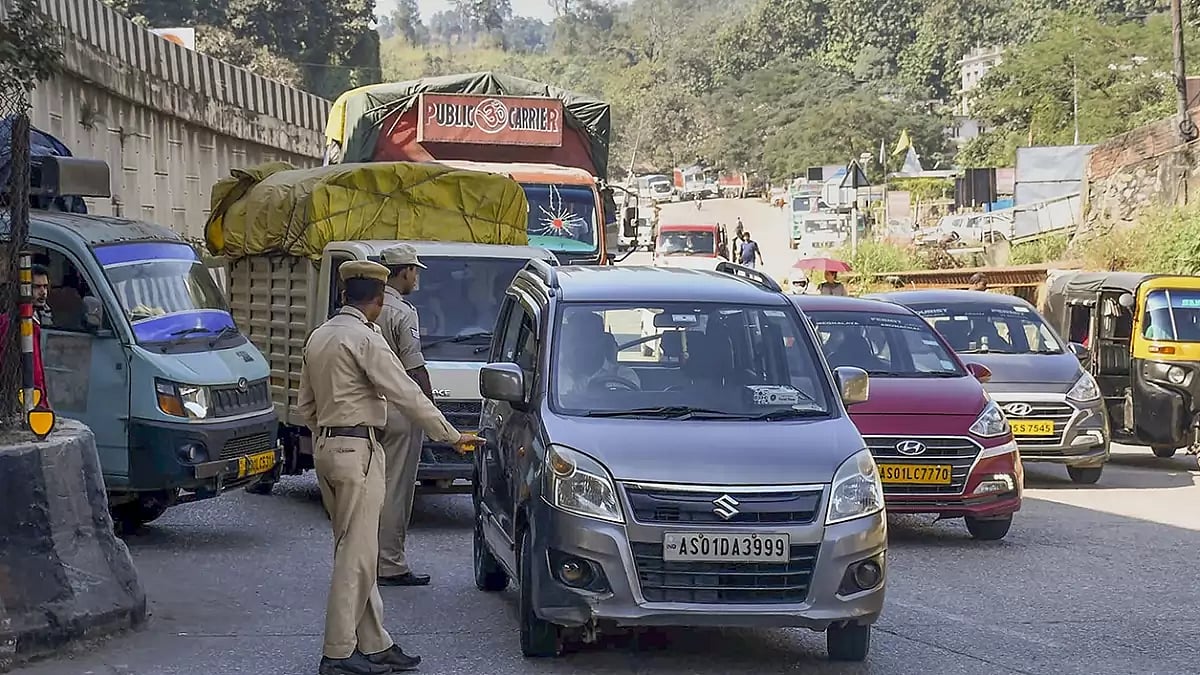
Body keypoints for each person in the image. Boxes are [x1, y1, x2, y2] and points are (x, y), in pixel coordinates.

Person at [296, 260, 480, 675]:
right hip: (358, 450)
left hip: (328, 447)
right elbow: (405, 392)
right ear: (377, 300)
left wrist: (329, 435)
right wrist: (451, 435)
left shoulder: (319, 337)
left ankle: (375, 643)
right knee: (356, 557)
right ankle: (339, 651)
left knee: (358, 549)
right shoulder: (365, 338)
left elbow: (305, 405)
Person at [375, 244, 434, 588]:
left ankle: (366, 559)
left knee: (369, 490)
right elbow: (415, 366)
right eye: (415, 271)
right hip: (398, 409)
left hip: (367, 408)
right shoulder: (402, 312)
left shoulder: (365, 306)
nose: (417, 277)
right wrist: (428, 408)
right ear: (405, 271)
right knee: (396, 489)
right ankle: (391, 563)